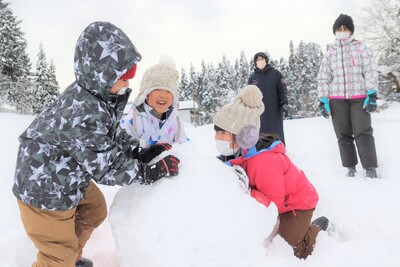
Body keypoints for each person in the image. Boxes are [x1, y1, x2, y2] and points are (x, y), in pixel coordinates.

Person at [12, 21, 180, 267]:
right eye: (121, 78)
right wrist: (146, 172)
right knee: (57, 254)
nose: (126, 85)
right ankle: (63, 260)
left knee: (94, 210)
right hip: (44, 191)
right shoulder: (81, 111)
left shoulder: (98, 97)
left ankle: (71, 258)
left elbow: (108, 136)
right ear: (99, 74)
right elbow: (105, 166)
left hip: (65, 175)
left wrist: (137, 152)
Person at [214, 85, 328, 259]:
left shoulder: (263, 161)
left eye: (223, 133)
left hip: (296, 205)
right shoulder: (235, 153)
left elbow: (273, 203)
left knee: (287, 248)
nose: (218, 138)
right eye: (216, 132)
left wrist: (247, 192)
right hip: (279, 203)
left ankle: (316, 230)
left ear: (242, 136)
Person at [317, 14, 379, 178]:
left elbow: (370, 70)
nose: (342, 31)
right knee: (343, 134)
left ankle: (370, 167)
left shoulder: (361, 48)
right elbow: (323, 76)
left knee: (363, 131)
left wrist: (371, 93)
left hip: (359, 97)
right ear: (335, 31)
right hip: (337, 99)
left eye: (346, 28)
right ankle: (350, 167)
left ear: (351, 31)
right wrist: (323, 99)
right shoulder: (330, 53)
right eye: (339, 28)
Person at [120, 59, 187, 148]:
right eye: (157, 89)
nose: (163, 95)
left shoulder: (175, 120)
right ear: (145, 94)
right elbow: (125, 151)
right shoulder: (133, 121)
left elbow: (184, 146)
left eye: (168, 91)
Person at [248, 52, 288, 145]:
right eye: (258, 60)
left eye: (262, 59)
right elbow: (249, 95)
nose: (260, 61)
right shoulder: (253, 78)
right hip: (260, 111)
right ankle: (264, 152)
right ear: (255, 62)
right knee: (262, 133)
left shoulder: (276, 74)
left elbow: (283, 90)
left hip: (275, 109)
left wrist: (284, 103)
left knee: (277, 131)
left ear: (266, 60)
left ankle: (279, 150)